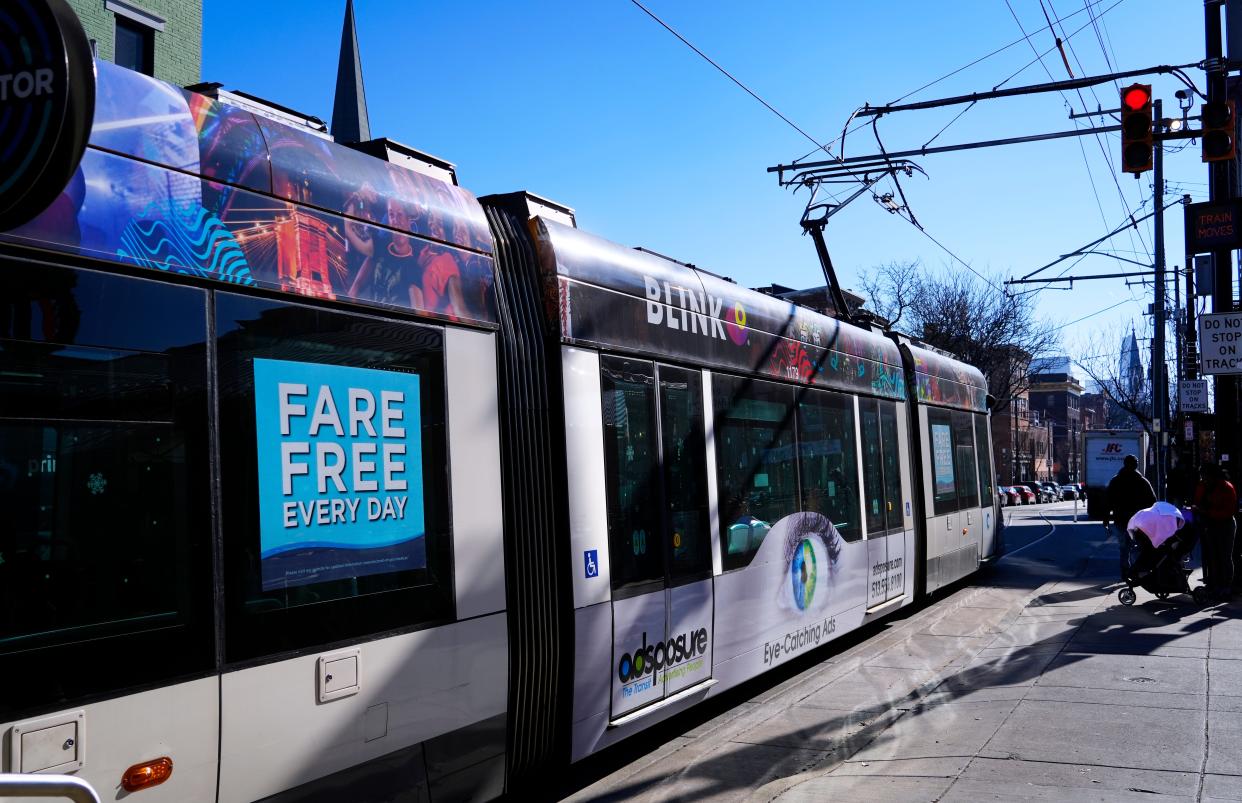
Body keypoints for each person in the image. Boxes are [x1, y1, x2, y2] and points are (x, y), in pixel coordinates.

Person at [1103, 454, 1156, 577]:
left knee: (1124, 546)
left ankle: (1126, 570)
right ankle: (1138, 569)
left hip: (1121, 519)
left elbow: (1108, 502)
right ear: (1135, 465)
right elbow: (1152, 500)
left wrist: (1106, 519)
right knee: (1141, 545)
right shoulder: (1142, 481)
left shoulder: (1116, 481)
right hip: (1139, 521)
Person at [1193, 462, 1237, 598]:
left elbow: (1229, 511)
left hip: (1224, 524)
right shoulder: (1202, 486)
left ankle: (1226, 585)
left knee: (1224, 556)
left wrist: (1206, 511)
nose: (1203, 478)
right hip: (1210, 524)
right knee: (1212, 556)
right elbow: (1197, 500)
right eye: (1202, 476)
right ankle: (1214, 584)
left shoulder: (1225, 487)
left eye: (1205, 475)